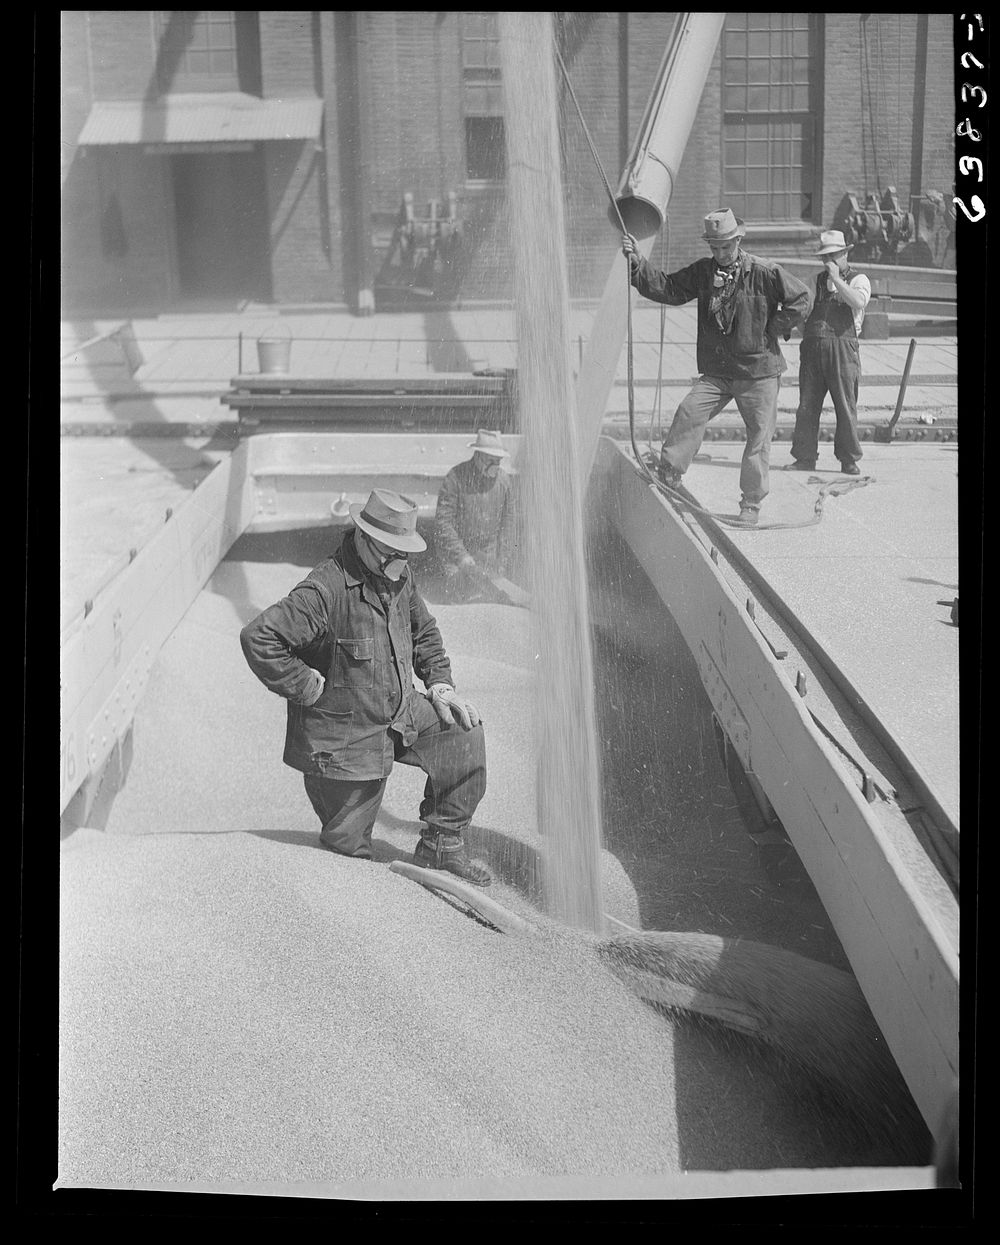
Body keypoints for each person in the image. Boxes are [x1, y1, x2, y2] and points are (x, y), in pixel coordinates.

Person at [240, 488, 492, 886]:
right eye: (391, 551)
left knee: (464, 734)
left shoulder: (398, 575)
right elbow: (259, 638)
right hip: (346, 740)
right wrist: (305, 685)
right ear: (363, 537)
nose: (400, 562)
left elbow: (423, 630)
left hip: (399, 712)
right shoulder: (323, 590)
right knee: (349, 858)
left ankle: (441, 844)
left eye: (404, 552)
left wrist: (440, 683)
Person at [622, 208, 812, 527]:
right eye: (714, 247)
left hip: (758, 372)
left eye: (726, 246)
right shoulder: (702, 272)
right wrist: (637, 263)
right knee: (689, 411)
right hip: (719, 372)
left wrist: (772, 327)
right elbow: (668, 288)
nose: (720, 254)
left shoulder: (765, 271)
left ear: (738, 240)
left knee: (758, 439)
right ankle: (670, 473)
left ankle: (750, 504)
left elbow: (802, 299)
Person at [789, 229, 872, 475]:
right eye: (825, 257)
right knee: (807, 405)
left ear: (845, 253)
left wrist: (837, 280)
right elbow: (805, 314)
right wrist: (804, 329)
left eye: (834, 256)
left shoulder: (859, 279)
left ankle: (848, 460)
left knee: (846, 407)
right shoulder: (816, 281)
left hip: (843, 351)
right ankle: (804, 457)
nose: (830, 262)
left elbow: (858, 302)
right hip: (814, 352)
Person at [433, 428, 520, 593]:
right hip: (457, 551)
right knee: (458, 593)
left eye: (498, 461)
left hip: (487, 551)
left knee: (492, 593)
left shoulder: (504, 480)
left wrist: (502, 561)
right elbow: (443, 523)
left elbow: (509, 523)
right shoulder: (455, 477)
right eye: (490, 461)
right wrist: (462, 556)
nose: (495, 466)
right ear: (478, 457)